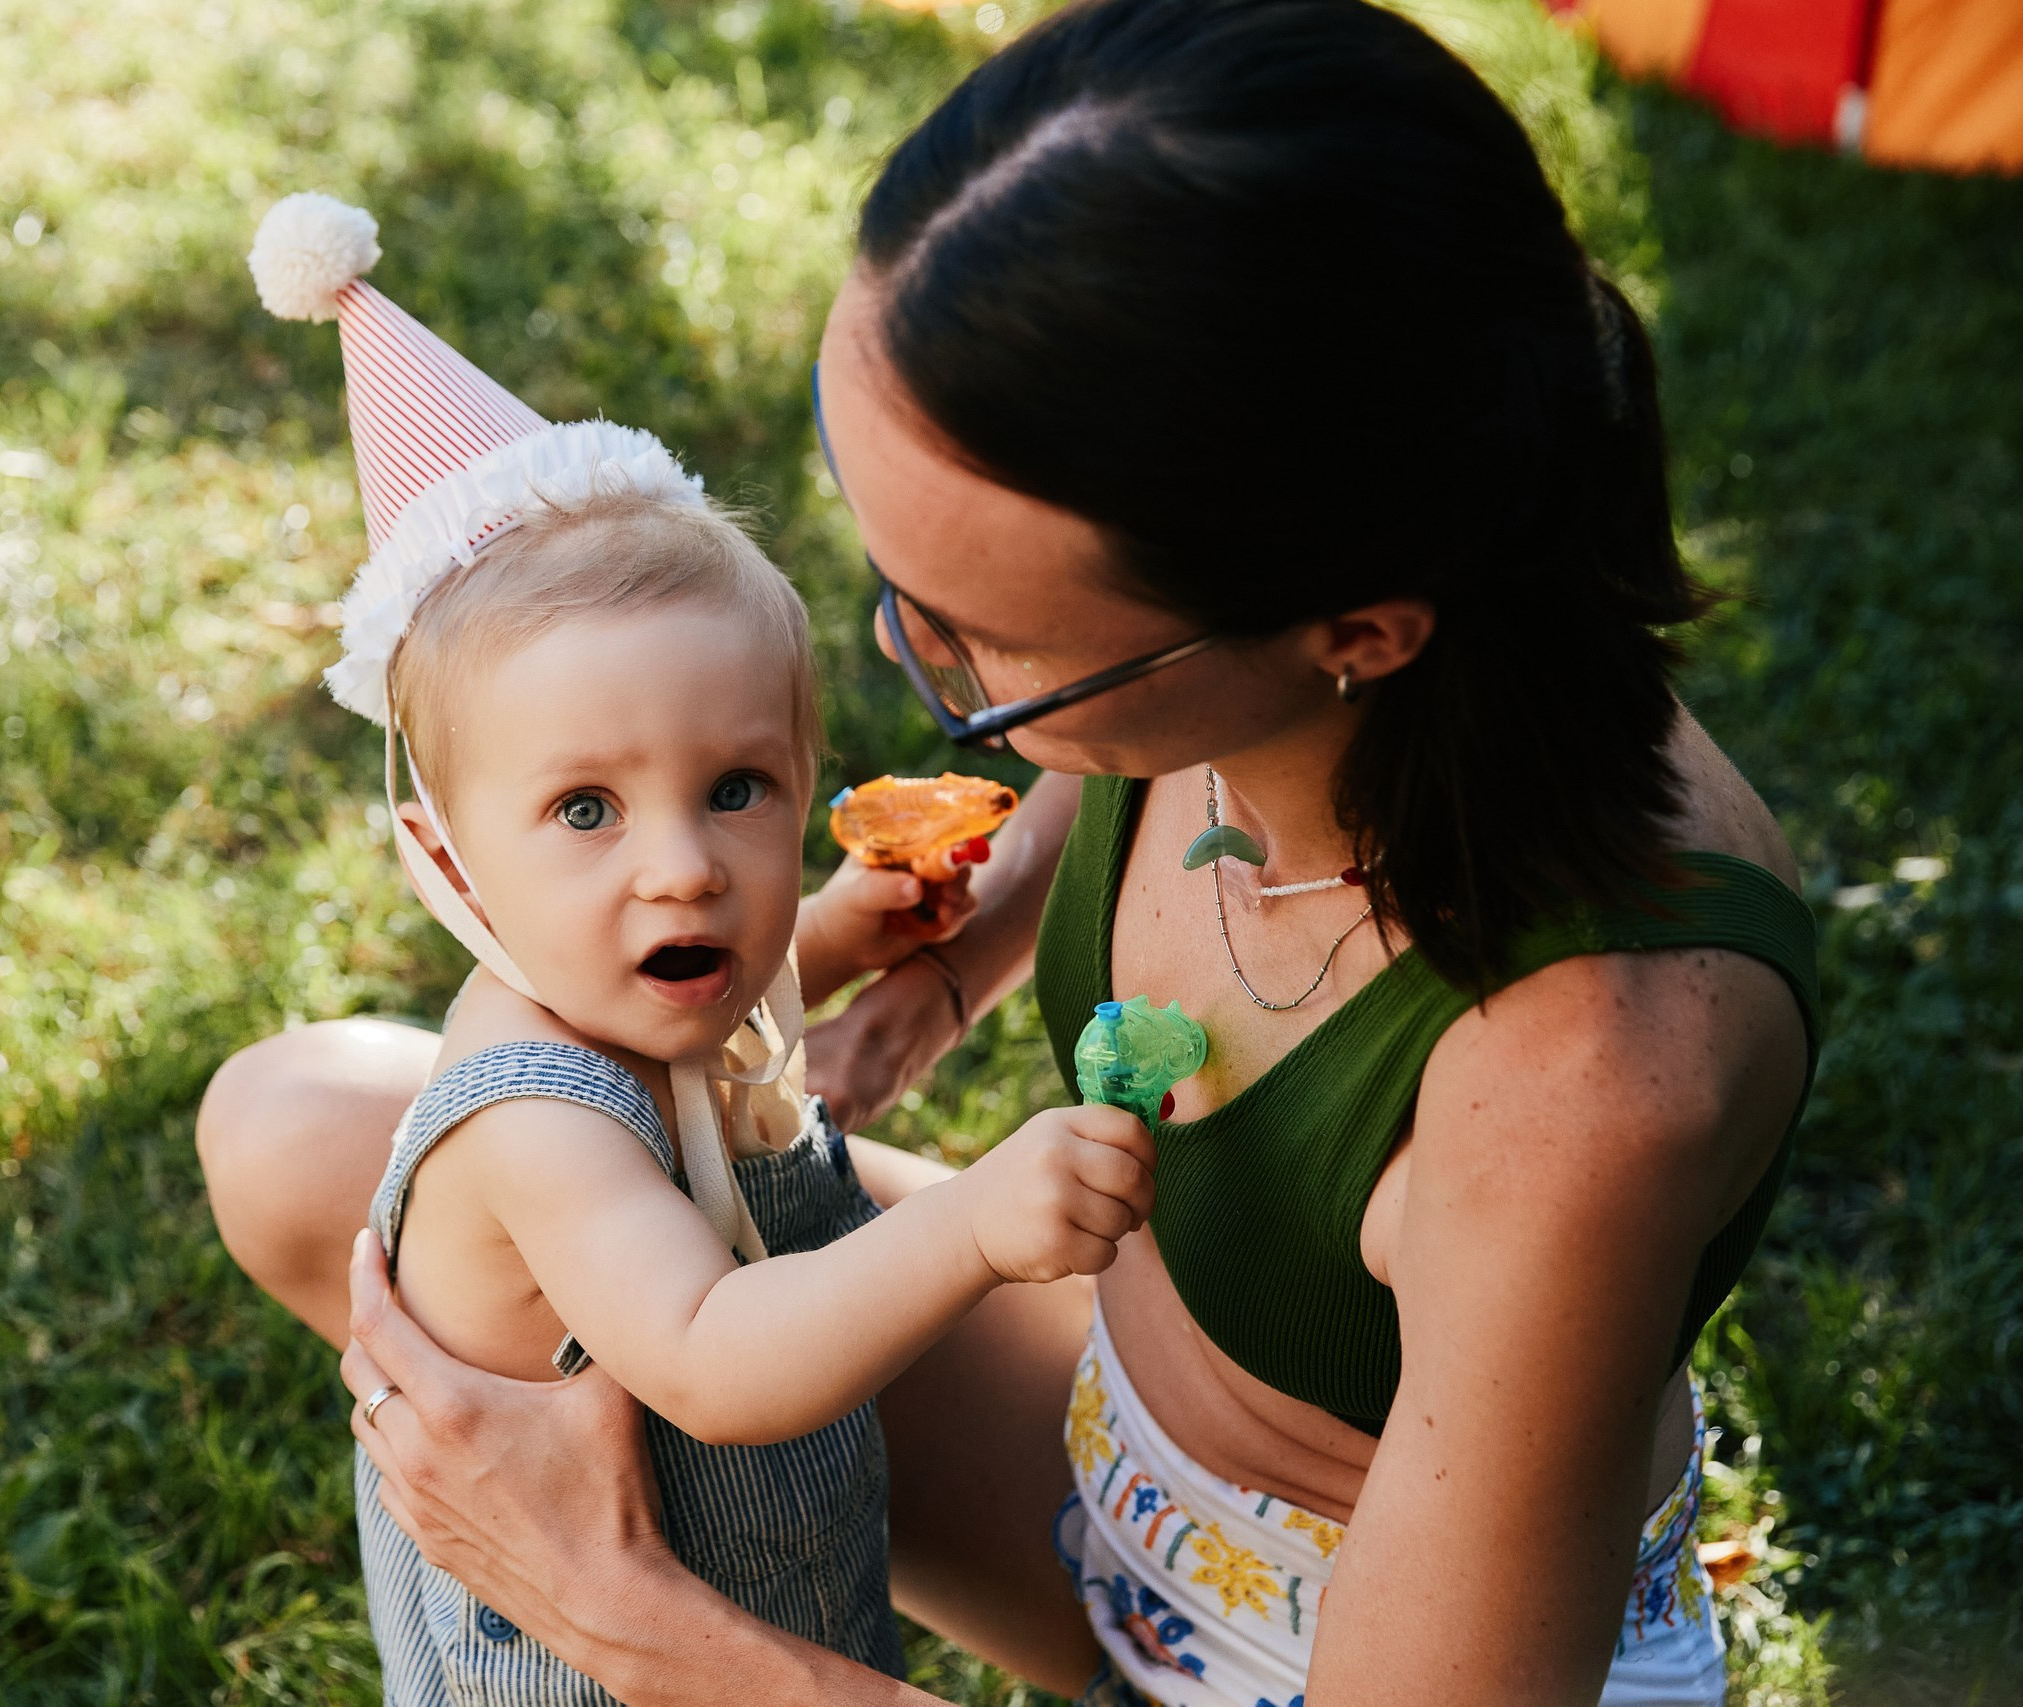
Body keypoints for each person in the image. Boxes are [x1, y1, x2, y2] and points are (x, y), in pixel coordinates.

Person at [201, 2, 1822, 1702]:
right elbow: (1094, 772)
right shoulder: (1242, 689)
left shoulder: (1586, 1087)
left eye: (983, 649)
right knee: (304, 1133)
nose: (927, 664)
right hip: (1108, 1477)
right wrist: (940, 975)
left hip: (1309, 1651)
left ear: (1354, 627)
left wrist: (624, 1615)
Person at [236, 194, 1155, 1704]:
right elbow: (720, 1359)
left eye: (736, 791)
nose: (683, 869)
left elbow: (722, 1006)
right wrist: (978, 1221)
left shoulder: (648, 981)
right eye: (585, 809)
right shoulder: (534, 1119)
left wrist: (841, 937)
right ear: (448, 860)